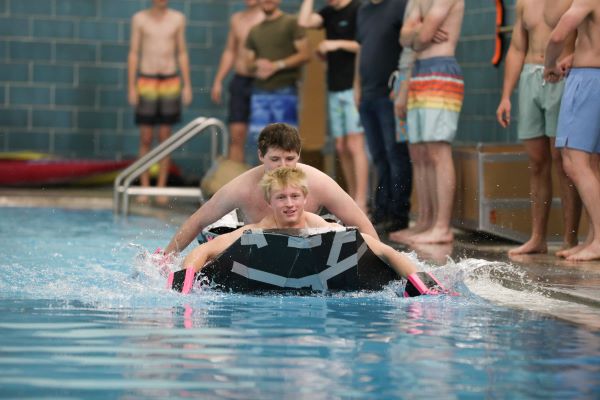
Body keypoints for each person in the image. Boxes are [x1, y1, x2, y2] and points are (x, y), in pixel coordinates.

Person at [180, 167, 443, 296]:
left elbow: (385, 252)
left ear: (305, 198)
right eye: (281, 198)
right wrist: (185, 283)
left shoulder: (323, 229)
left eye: (295, 196)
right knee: (218, 234)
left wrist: (425, 285)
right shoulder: (257, 230)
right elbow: (203, 251)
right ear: (269, 202)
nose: (290, 204)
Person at [163, 123, 378, 256]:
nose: (283, 166)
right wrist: (166, 259)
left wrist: (379, 265)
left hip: (308, 248)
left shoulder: (318, 183)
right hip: (257, 249)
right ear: (260, 156)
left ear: (299, 155)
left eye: (290, 159)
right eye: (275, 159)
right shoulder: (243, 187)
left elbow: (362, 226)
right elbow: (199, 219)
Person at [495, 0, 581, 256]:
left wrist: (570, 58)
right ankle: (537, 238)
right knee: (537, 162)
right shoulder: (524, 3)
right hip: (530, 77)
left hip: (562, 77)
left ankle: (570, 240)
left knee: (563, 161)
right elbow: (516, 49)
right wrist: (506, 96)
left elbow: (583, 37)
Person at [397, 0, 464, 244]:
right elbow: (404, 38)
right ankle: (426, 220)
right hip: (419, 70)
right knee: (421, 152)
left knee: (437, 150)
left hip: (441, 70)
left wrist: (416, 32)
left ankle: (442, 225)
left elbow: (420, 36)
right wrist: (417, 34)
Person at [298, 0, 370, 213]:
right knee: (341, 146)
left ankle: (362, 200)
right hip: (335, 87)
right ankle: (352, 195)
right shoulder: (328, 12)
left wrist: (336, 44)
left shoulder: (359, 9)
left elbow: (366, 44)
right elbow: (304, 21)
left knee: (355, 144)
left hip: (353, 87)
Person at [544, 0, 600, 261]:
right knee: (590, 164)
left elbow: (557, 33)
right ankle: (592, 239)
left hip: (588, 81)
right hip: (592, 76)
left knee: (574, 161)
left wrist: (549, 63)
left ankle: (599, 240)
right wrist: (576, 56)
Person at [354, 0, 413, 233]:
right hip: (367, 95)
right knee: (378, 156)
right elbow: (361, 49)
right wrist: (356, 85)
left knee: (396, 154)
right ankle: (382, 210)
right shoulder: (364, 10)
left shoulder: (400, 5)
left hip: (390, 93)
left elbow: (409, 48)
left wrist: (402, 84)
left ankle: (399, 213)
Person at [127, 0, 192, 205]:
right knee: (146, 137)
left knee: (165, 138)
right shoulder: (139, 19)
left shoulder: (177, 19)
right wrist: (131, 86)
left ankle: (162, 187)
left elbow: (181, 52)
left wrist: (187, 85)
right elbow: (134, 53)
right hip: (146, 80)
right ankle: (145, 187)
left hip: (170, 80)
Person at [244, 0, 310, 164]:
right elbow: (248, 63)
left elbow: (305, 54)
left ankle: (293, 187)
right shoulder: (255, 30)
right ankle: (265, 187)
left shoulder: (291, 23)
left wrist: (276, 65)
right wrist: (258, 65)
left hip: (285, 91)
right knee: (259, 142)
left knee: (289, 143)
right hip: (260, 92)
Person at [210, 0, 264, 164]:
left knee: (265, 137)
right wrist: (218, 80)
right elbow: (230, 51)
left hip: (263, 83)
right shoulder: (237, 19)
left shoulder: (268, 19)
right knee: (237, 134)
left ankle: (266, 185)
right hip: (240, 80)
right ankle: (238, 184)